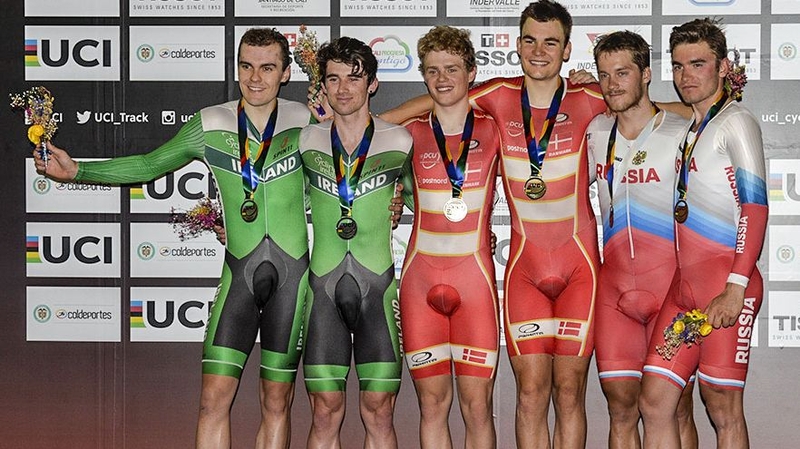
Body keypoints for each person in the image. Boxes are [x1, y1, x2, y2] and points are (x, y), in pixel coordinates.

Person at [33, 28, 311, 449]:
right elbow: (149, 165)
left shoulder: (308, 122)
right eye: (247, 66)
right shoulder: (210, 123)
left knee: (277, 401)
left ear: (286, 73)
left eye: (268, 67)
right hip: (240, 274)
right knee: (211, 401)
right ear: (236, 68)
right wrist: (79, 172)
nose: (255, 78)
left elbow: (376, 135)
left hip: (294, 279)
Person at [638, 18, 767, 449]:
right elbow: (646, 109)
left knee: (721, 405)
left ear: (723, 67)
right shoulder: (690, 128)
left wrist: (735, 287)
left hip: (727, 285)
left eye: (698, 64)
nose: (686, 76)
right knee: (655, 401)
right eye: (677, 66)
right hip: (685, 292)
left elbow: (755, 206)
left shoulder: (737, 121)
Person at [298, 36, 412, 449]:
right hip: (323, 288)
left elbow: (431, 199)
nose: (343, 88)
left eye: (354, 78)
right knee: (325, 408)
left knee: (379, 408)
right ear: (322, 87)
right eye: (333, 79)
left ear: (373, 84)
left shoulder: (400, 142)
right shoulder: (306, 140)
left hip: (377, 286)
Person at [586, 30, 697, 449]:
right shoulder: (594, 131)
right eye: (604, 75)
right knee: (620, 409)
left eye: (623, 73)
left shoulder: (682, 132)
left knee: (675, 406)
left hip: (671, 289)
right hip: (615, 293)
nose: (612, 84)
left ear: (646, 74)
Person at [398, 25, 501, 448]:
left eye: (452, 69)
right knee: (432, 407)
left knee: (477, 408)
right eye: (433, 70)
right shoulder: (406, 135)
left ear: (471, 72)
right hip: (419, 283)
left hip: (474, 282)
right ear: (423, 76)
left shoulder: (497, 129)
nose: (442, 79)